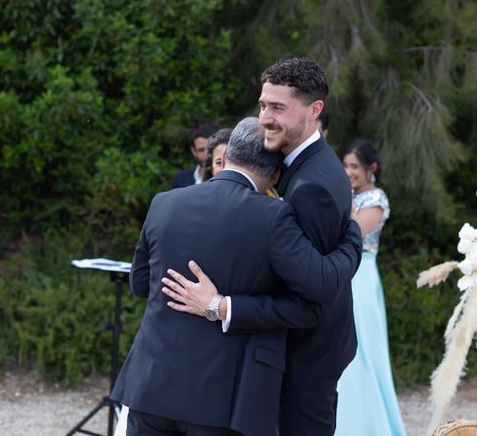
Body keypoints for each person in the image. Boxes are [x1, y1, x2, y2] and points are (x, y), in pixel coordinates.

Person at [110, 117, 362, 436]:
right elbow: (310, 299)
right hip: (220, 397)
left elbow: (140, 283)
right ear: (275, 175)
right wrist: (352, 234)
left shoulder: (164, 203)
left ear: (225, 157)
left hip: (151, 384)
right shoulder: (273, 217)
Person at [165, 57, 358, 436]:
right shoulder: (299, 163)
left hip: (304, 360)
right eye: (263, 104)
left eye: (278, 108)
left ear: (314, 110)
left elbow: (309, 299)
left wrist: (218, 306)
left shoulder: (312, 185)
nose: (265, 117)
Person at [335, 139, 405, 435]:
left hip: (361, 275)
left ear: (370, 168)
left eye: (354, 166)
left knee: (361, 350)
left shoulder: (375, 199)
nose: (348, 172)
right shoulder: (346, 195)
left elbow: (354, 234)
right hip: (344, 273)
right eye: (345, 165)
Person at [172, 121, 220, 188]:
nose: (207, 155)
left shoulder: (228, 179)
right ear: (193, 151)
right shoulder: (181, 180)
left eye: (210, 148)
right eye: (201, 150)